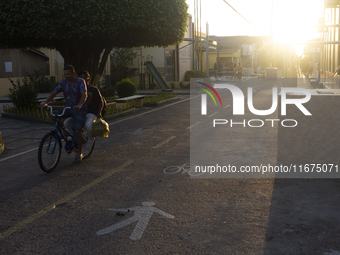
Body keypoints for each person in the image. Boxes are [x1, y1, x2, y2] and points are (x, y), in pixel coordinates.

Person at [40, 65, 87, 163]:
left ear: (73, 73)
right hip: (68, 107)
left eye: (68, 74)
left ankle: (79, 152)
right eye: (65, 74)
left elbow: (84, 94)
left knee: (77, 131)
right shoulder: (63, 82)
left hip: (79, 109)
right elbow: (54, 93)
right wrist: (46, 102)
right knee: (53, 115)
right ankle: (64, 132)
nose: (66, 76)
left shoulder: (80, 81)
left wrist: (79, 104)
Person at [64, 70, 103, 152]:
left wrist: (99, 112)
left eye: (86, 77)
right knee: (67, 123)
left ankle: (91, 138)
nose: (84, 79)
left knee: (88, 125)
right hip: (79, 113)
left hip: (91, 113)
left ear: (89, 79)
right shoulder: (76, 89)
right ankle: (80, 138)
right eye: (82, 77)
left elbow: (100, 101)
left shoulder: (93, 90)